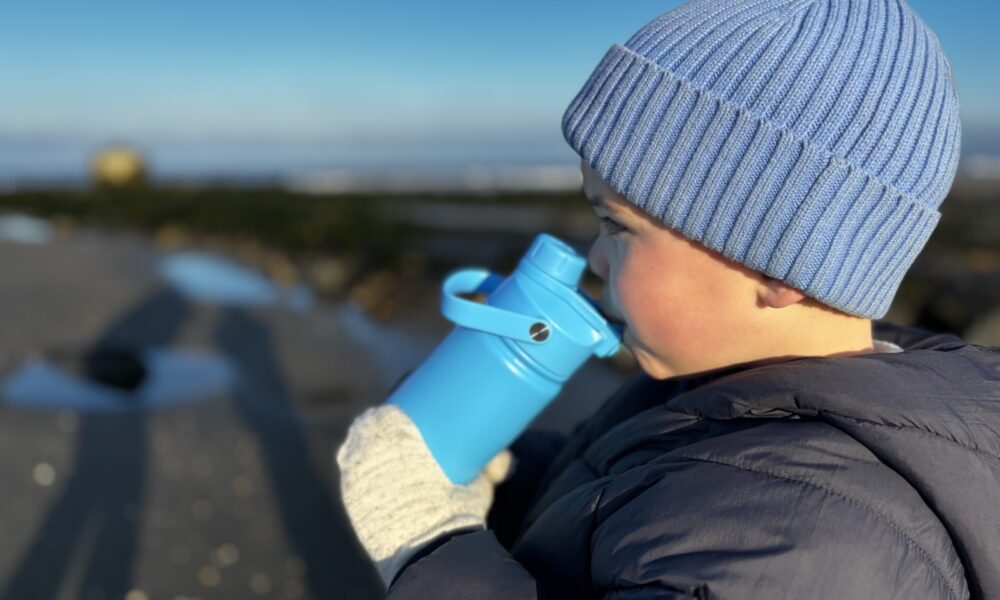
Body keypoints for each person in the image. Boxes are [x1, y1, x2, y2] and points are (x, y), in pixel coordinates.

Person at [337, 0, 1000, 597]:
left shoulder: (816, 537)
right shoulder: (713, 382)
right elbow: (617, 488)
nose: (595, 258)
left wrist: (429, 544)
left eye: (618, 225)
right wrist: (510, 473)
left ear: (775, 259)